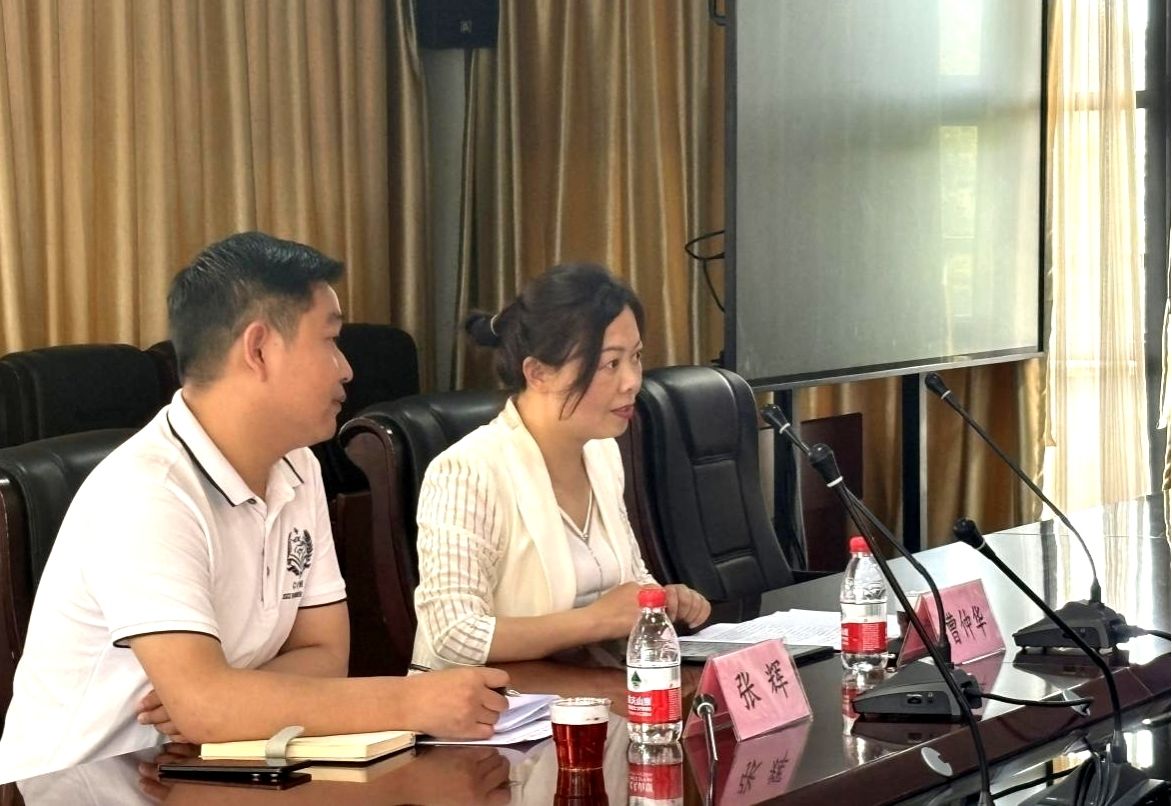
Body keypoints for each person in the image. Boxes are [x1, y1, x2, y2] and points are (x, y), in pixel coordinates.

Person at [0, 232, 507, 783]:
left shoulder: (297, 464)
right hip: (84, 785)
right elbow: (208, 707)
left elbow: (325, 654)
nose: (346, 369)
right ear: (259, 349)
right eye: (330, 340)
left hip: (214, 771)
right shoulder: (146, 491)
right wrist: (414, 702)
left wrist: (231, 699)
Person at [412, 263, 711, 669]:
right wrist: (594, 621)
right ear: (538, 373)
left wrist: (660, 598)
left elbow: (626, 580)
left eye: (636, 357)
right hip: (492, 703)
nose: (632, 381)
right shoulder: (467, 471)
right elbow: (453, 634)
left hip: (585, 689)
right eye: (610, 364)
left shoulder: (602, 452)